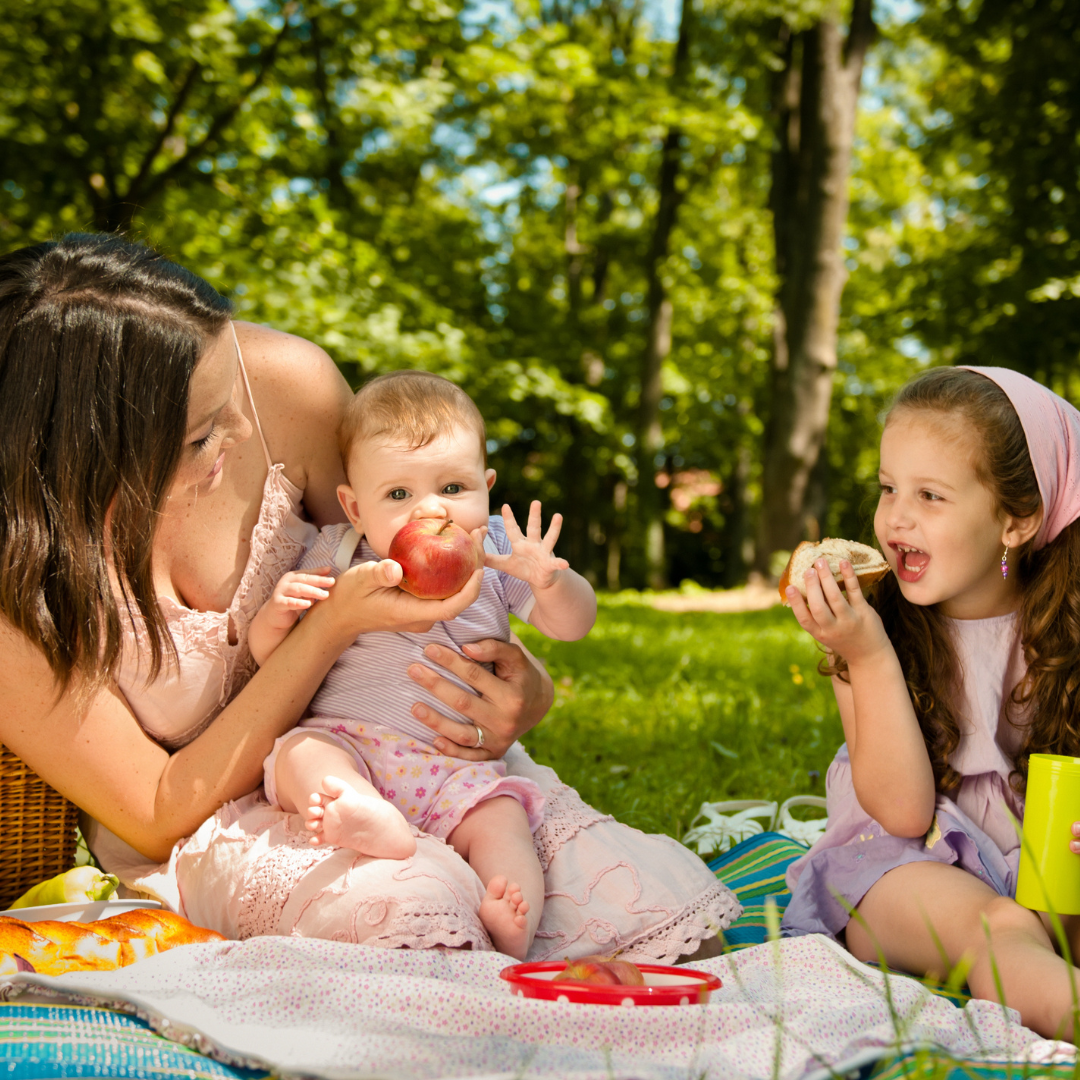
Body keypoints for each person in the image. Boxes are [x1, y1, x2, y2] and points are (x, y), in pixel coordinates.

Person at [0, 233, 738, 960]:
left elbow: (408, 562)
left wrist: (526, 690)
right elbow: (156, 811)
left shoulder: (289, 386)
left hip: (428, 767)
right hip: (243, 821)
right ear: (89, 460)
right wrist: (325, 629)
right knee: (419, 922)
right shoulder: (15, 579)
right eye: (200, 437)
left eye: (235, 393)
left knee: (662, 924)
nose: (245, 430)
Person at [247, 371, 597, 958]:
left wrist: (552, 581)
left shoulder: (492, 556)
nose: (430, 510)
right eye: (398, 495)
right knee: (303, 755)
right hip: (350, 742)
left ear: (487, 488)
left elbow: (573, 625)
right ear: (356, 509)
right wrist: (278, 617)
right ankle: (361, 812)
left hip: (454, 765)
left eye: (453, 487)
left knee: (503, 819)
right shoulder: (335, 555)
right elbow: (271, 661)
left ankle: (513, 910)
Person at [781, 365, 1080, 1039]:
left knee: (1049, 927)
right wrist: (867, 655)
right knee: (999, 929)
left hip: (1044, 859)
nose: (895, 518)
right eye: (888, 489)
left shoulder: (1066, 629)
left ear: (1017, 519)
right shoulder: (869, 625)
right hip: (907, 864)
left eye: (930, 496)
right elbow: (903, 812)